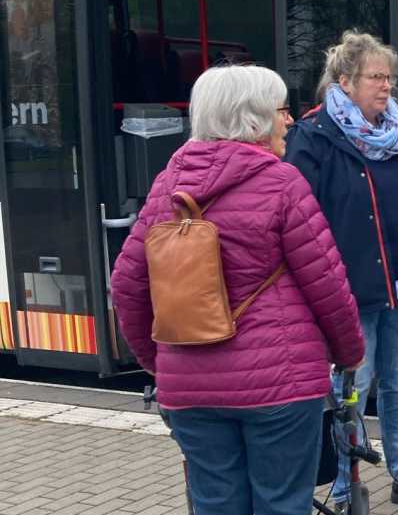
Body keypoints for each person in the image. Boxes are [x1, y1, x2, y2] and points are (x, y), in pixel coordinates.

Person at [110, 65, 366, 515]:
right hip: (280, 388)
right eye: (282, 110)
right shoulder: (282, 183)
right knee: (282, 504)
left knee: (215, 505)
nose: (289, 121)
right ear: (253, 120)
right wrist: (348, 354)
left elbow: (127, 285)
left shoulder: (166, 187)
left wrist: (159, 362)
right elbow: (327, 283)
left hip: (189, 388)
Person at [283, 30, 398, 514]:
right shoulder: (313, 136)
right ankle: (343, 491)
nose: (387, 87)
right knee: (347, 394)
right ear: (345, 80)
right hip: (349, 290)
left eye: (390, 78)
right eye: (376, 77)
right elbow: (298, 220)